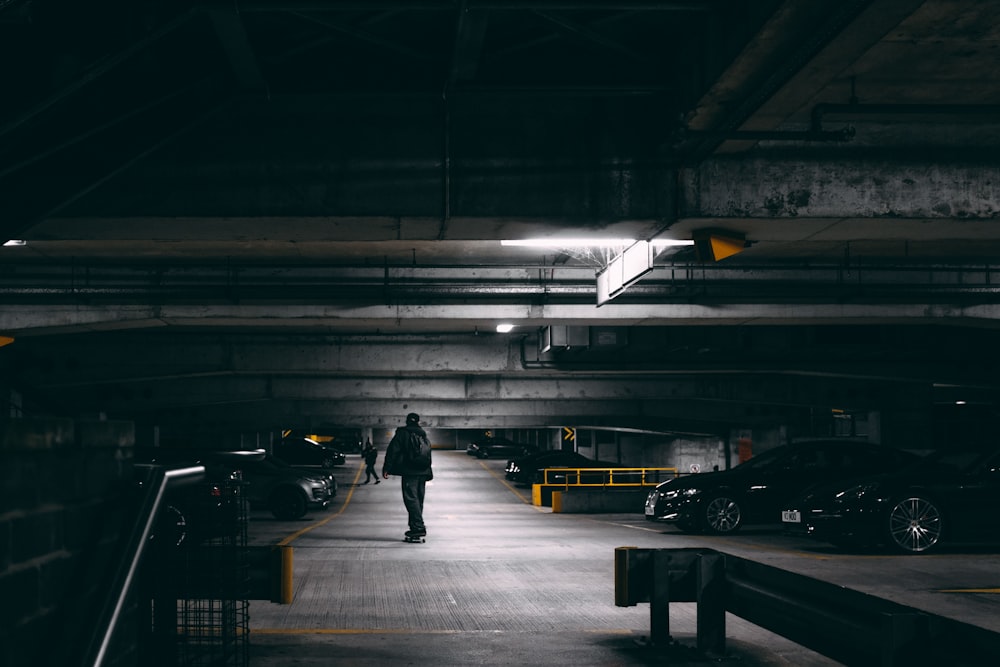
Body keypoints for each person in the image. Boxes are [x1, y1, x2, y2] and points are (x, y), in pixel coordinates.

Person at [382, 412, 433, 539]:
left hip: (410, 472)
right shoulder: (423, 434)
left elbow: (392, 451)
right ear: (418, 422)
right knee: (418, 500)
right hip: (423, 471)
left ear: (407, 421)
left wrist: (387, 468)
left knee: (411, 499)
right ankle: (414, 526)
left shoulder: (402, 433)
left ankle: (418, 527)